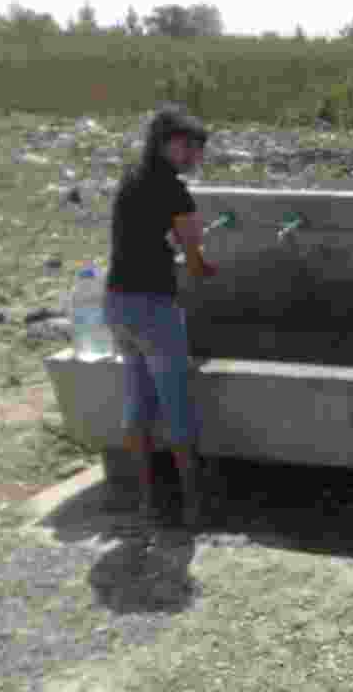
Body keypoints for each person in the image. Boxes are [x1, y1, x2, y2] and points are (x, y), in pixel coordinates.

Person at [103, 106, 218, 528]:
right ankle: (192, 506)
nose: (193, 155)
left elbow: (138, 238)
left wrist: (170, 250)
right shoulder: (175, 192)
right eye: (185, 145)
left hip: (116, 303)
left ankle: (148, 504)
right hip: (153, 306)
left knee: (137, 403)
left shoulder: (131, 179)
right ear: (163, 143)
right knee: (176, 406)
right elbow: (195, 259)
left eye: (198, 148)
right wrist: (205, 267)